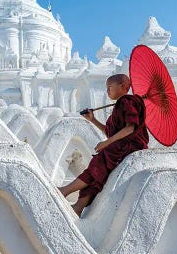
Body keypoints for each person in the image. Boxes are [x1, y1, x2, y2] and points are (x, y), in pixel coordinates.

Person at [58, 74, 148, 216]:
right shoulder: (121, 104)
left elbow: (130, 128)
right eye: (107, 88)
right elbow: (110, 132)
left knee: (99, 162)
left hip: (130, 146)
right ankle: (79, 206)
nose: (107, 91)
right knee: (99, 173)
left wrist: (107, 143)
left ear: (123, 86)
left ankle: (66, 190)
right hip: (120, 145)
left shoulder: (127, 101)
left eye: (110, 87)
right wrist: (93, 120)